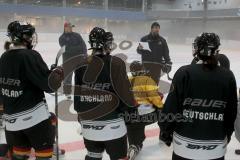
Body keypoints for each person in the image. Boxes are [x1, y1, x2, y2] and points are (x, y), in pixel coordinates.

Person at [159, 33, 238, 160]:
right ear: (216, 50)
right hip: (215, 149)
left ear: (197, 49)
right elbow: (231, 113)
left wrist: (166, 131)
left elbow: (170, 108)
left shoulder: (184, 72)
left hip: (183, 147)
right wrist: (227, 135)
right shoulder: (228, 76)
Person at [0, 21, 64, 160]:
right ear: (23, 37)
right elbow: (49, 86)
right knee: (52, 119)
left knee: (19, 156)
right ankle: (49, 148)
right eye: (29, 35)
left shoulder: (4, 57)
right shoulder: (30, 55)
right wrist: (56, 74)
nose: (31, 38)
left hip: (11, 125)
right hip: (34, 122)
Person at [74, 27, 136, 160]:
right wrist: (131, 115)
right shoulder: (116, 63)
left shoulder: (80, 65)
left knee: (93, 156)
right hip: (113, 128)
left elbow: (77, 102)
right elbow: (126, 97)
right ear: (106, 44)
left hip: (88, 128)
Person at [126, 61, 164, 160]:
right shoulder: (147, 80)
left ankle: (134, 144)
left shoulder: (126, 80)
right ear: (142, 69)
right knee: (163, 113)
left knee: (132, 124)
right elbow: (155, 98)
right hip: (144, 115)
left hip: (128, 114)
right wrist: (161, 107)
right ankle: (164, 135)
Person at [59, 22, 87, 99]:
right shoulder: (62, 38)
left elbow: (83, 46)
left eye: (71, 27)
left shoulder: (77, 35)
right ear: (65, 28)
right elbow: (67, 49)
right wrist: (78, 48)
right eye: (69, 27)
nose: (71, 28)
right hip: (68, 61)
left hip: (79, 60)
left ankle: (81, 92)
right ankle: (67, 93)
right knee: (68, 78)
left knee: (80, 76)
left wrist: (85, 54)